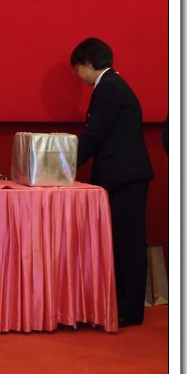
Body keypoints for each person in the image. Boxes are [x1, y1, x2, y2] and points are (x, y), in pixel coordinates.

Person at [70, 38, 154, 327]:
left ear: (88, 63)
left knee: (128, 243)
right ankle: (125, 304)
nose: (77, 75)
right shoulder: (111, 85)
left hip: (125, 177)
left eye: (77, 68)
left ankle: (130, 309)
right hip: (123, 175)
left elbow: (94, 135)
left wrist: (65, 166)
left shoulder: (108, 88)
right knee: (122, 241)